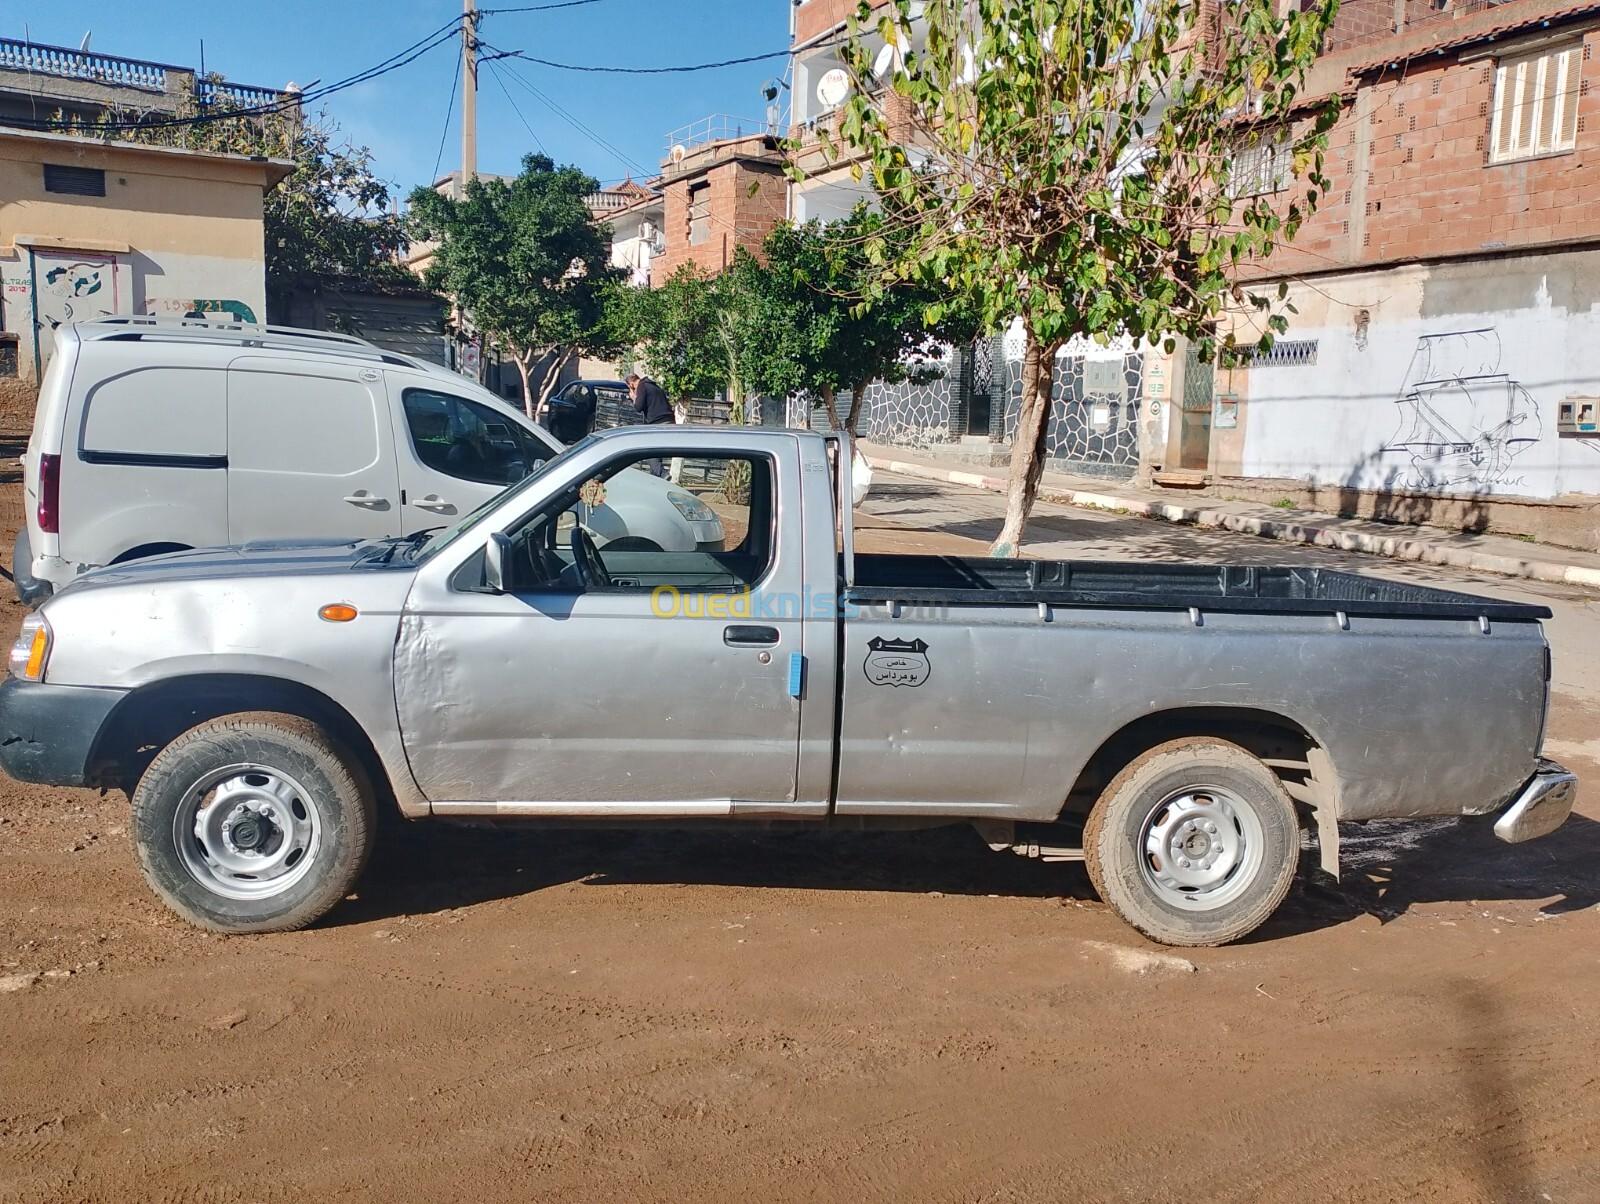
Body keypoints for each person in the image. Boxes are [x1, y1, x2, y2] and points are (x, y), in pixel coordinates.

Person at [627, 372, 674, 478]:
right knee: (656, 451)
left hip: (658, 422)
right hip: (668, 421)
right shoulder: (653, 385)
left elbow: (638, 407)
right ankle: (655, 476)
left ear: (631, 384)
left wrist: (634, 398)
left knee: (648, 449)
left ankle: (662, 474)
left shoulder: (642, 386)